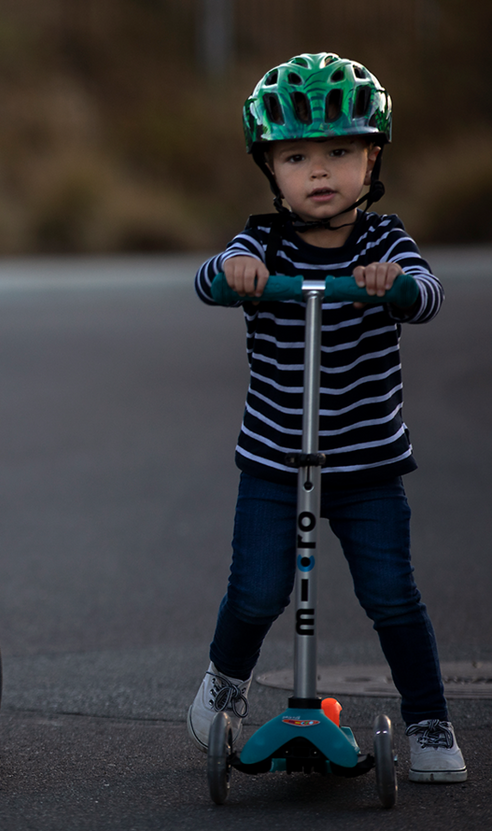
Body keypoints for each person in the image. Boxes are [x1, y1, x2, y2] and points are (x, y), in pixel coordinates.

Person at [186, 53, 465, 783]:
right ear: (269, 169)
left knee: (391, 594)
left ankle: (431, 720)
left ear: (372, 158)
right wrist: (232, 274)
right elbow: (209, 277)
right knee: (256, 590)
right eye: (298, 156)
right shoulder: (264, 242)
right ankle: (226, 679)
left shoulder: (382, 242)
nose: (320, 171)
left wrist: (397, 288)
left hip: (368, 465)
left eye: (341, 152)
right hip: (277, 463)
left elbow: (429, 292)